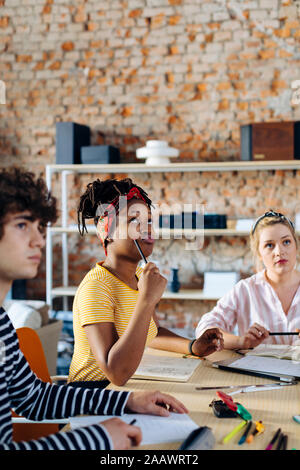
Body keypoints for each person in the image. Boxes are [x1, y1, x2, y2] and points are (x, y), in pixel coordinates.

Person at [0, 167, 188, 451]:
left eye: (40, 227)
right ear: (106, 232)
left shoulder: (2, 324)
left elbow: (33, 398)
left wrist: (127, 400)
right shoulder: (96, 285)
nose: (39, 240)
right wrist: (99, 437)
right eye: (23, 225)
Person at [68, 177, 223, 388]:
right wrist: (146, 300)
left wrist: (193, 346)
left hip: (129, 387)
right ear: (106, 231)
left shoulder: (140, 276)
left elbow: (152, 333)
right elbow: (116, 373)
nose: (147, 228)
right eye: (134, 221)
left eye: (149, 220)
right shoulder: (95, 288)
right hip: (94, 394)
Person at [195, 210, 300, 349]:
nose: (279, 252)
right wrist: (242, 342)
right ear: (259, 253)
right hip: (257, 369)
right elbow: (204, 330)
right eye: (269, 245)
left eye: (286, 242)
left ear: (296, 246)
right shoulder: (246, 289)